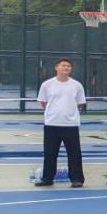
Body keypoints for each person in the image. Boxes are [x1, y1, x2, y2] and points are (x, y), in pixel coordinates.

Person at [36, 58, 86, 188]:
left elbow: (79, 103)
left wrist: (69, 114)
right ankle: (47, 179)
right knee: (50, 153)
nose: (66, 68)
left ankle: (77, 179)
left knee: (74, 153)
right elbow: (44, 102)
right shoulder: (47, 85)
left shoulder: (77, 85)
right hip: (52, 124)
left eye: (68, 66)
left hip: (71, 124)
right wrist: (53, 113)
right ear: (56, 67)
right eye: (63, 65)